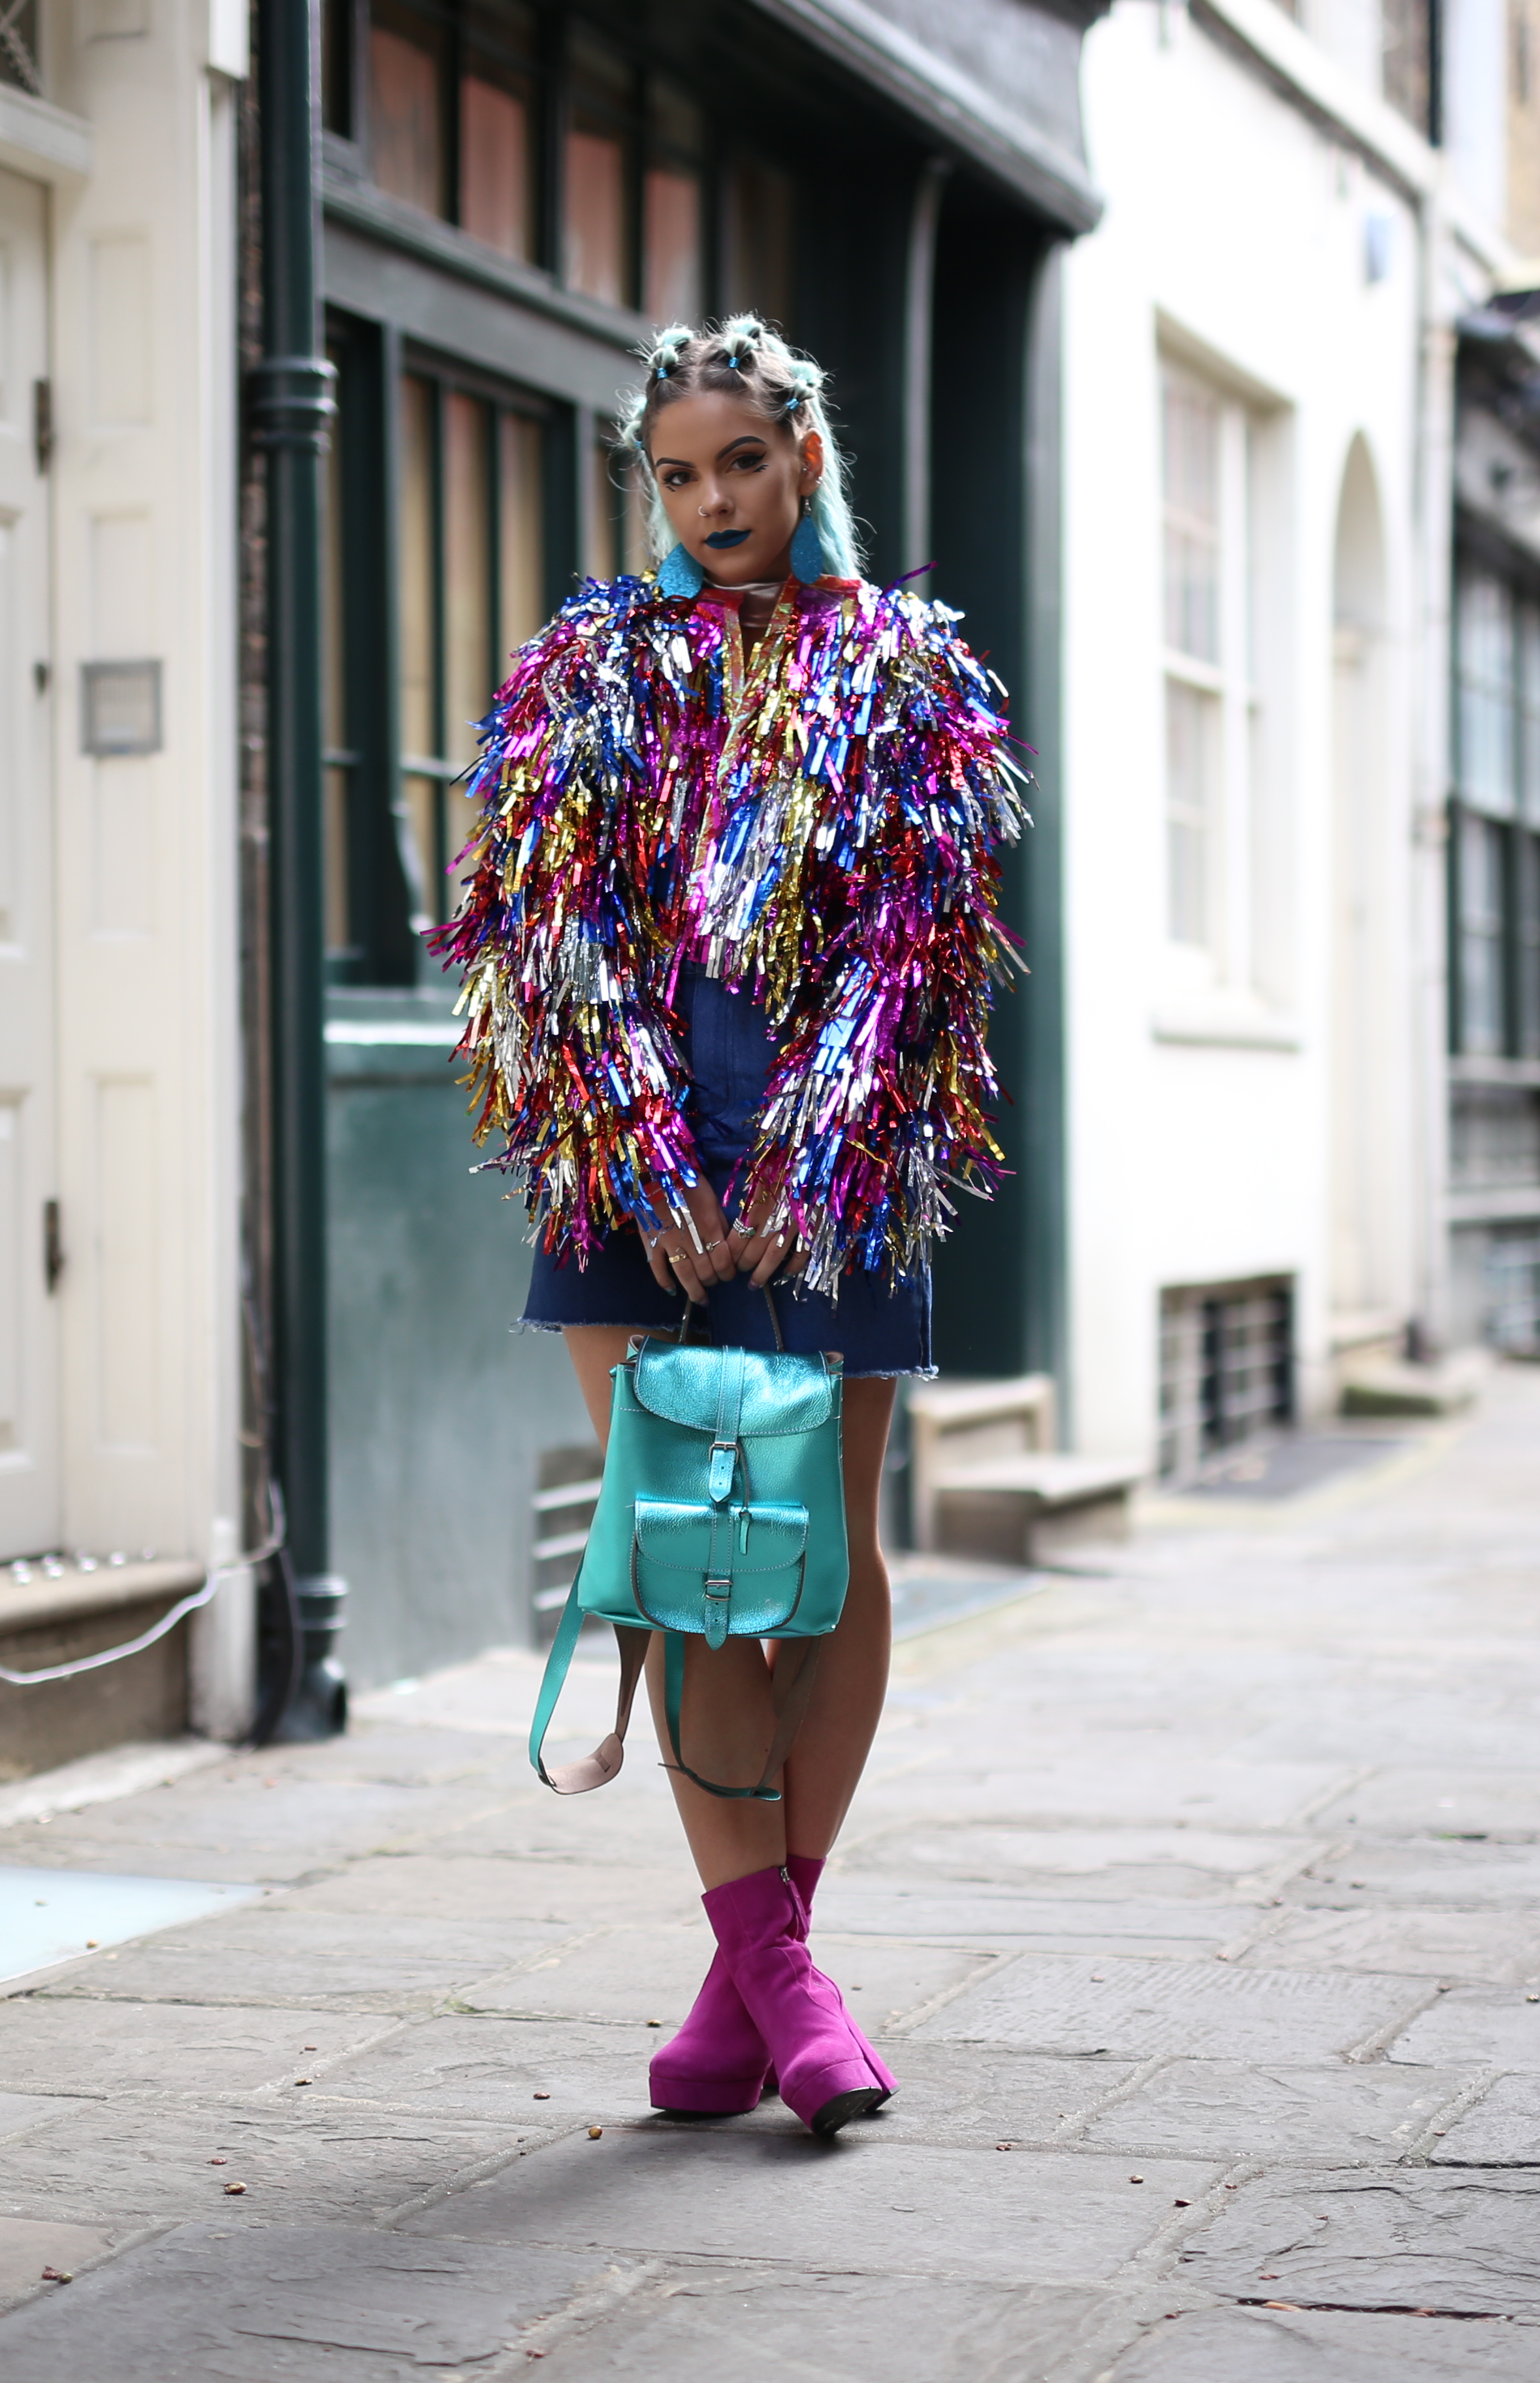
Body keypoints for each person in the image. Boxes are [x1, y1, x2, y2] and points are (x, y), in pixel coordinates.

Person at [432, 316, 1025, 2137]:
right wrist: (652, 1156)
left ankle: (756, 1970)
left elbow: (922, 941)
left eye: (743, 466)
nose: (712, 504)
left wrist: (803, 1165)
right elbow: (545, 930)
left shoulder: (904, 668)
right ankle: (782, 1982)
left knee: (821, 1554)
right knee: (684, 1547)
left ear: (808, 459)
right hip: (629, 1178)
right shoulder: (585, 665)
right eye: (679, 476)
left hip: (840, 1174)